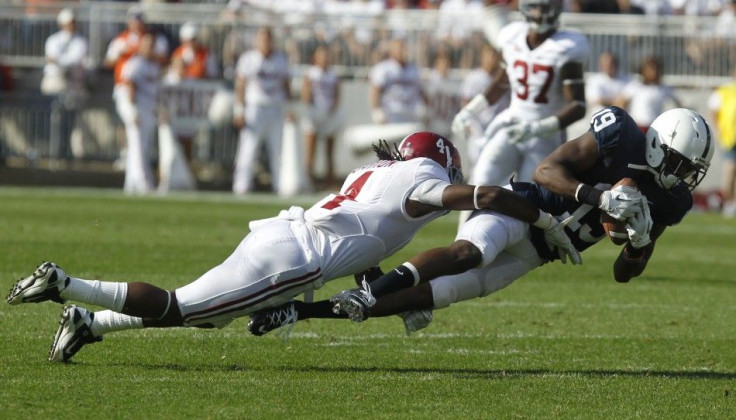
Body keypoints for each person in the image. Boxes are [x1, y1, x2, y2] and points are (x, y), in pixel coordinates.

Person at [7, 132, 576, 362]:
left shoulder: (381, 173)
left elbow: (365, 240)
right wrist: (543, 222)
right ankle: (66, 285)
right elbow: (484, 194)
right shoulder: (423, 177)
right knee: (181, 309)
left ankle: (89, 322)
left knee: (209, 319)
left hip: (285, 241)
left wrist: (379, 293)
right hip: (294, 259)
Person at [251, 106, 713, 334]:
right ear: (658, 145)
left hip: (541, 253)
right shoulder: (622, 135)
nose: (686, 178)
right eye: (682, 165)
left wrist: (639, 241)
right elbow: (546, 170)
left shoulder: (671, 202)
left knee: (441, 294)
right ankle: (372, 289)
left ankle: (299, 311)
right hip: (524, 207)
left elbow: (623, 274)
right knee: (468, 251)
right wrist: (597, 195)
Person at [452, 0, 590, 191]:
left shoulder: (567, 45)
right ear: (525, 7)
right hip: (511, 124)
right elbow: (500, 83)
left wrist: (538, 128)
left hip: (545, 135)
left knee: (527, 195)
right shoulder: (512, 35)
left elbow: (578, 106)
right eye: (536, 6)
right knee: (480, 181)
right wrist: (470, 110)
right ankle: (469, 222)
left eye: (545, 6)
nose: (540, 12)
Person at [232, 27, 292, 195]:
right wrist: (238, 110)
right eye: (263, 39)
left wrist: (290, 108)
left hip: (275, 108)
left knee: (278, 150)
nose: (266, 42)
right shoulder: (248, 59)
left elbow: (286, 85)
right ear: (256, 40)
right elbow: (240, 85)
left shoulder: (281, 59)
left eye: (268, 39)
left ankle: (280, 185)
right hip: (254, 108)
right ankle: (241, 185)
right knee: (248, 148)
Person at [42, 8, 89, 160]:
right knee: (53, 119)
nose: (71, 25)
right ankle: (53, 152)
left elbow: (73, 60)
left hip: (72, 84)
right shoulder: (53, 39)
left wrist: (58, 61)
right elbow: (53, 59)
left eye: (73, 22)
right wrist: (60, 62)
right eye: (68, 23)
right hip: (55, 81)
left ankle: (68, 153)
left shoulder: (80, 41)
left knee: (71, 120)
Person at [116, 33, 161, 194]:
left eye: (152, 45)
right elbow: (128, 84)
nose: (150, 49)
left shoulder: (154, 65)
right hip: (136, 106)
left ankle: (131, 183)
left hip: (148, 108)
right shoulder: (136, 63)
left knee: (143, 145)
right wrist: (132, 110)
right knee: (137, 144)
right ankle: (143, 182)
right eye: (147, 45)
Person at [454, 44, 510, 171]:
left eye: (493, 56)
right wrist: (468, 122)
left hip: (497, 126)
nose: (491, 59)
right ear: (482, 58)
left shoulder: (502, 78)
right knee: (478, 164)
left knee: (497, 165)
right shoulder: (474, 77)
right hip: (478, 126)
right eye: (488, 56)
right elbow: (466, 101)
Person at [301, 45, 343, 190]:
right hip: (314, 114)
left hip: (329, 115)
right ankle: (308, 182)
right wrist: (314, 109)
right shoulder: (311, 73)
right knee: (311, 151)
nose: (325, 59)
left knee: (329, 152)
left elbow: (337, 95)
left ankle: (329, 183)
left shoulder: (333, 74)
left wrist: (331, 108)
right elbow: (305, 93)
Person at [369, 37, 428, 125]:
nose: (402, 51)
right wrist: (377, 111)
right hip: (392, 114)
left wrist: (427, 109)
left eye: (404, 47)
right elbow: (375, 90)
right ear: (391, 50)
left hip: (411, 114)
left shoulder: (414, 69)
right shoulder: (383, 68)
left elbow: (421, 91)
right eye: (399, 47)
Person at [617, 56, 681, 133]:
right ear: (643, 71)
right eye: (650, 69)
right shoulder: (634, 86)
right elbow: (620, 104)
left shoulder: (665, 88)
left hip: (656, 129)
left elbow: (679, 106)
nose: (654, 72)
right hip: (637, 128)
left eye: (656, 69)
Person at [708, 73, 736, 217]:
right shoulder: (724, 91)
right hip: (729, 137)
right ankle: (729, 202)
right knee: (730, 169)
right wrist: (718, 131)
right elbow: (713, 110)